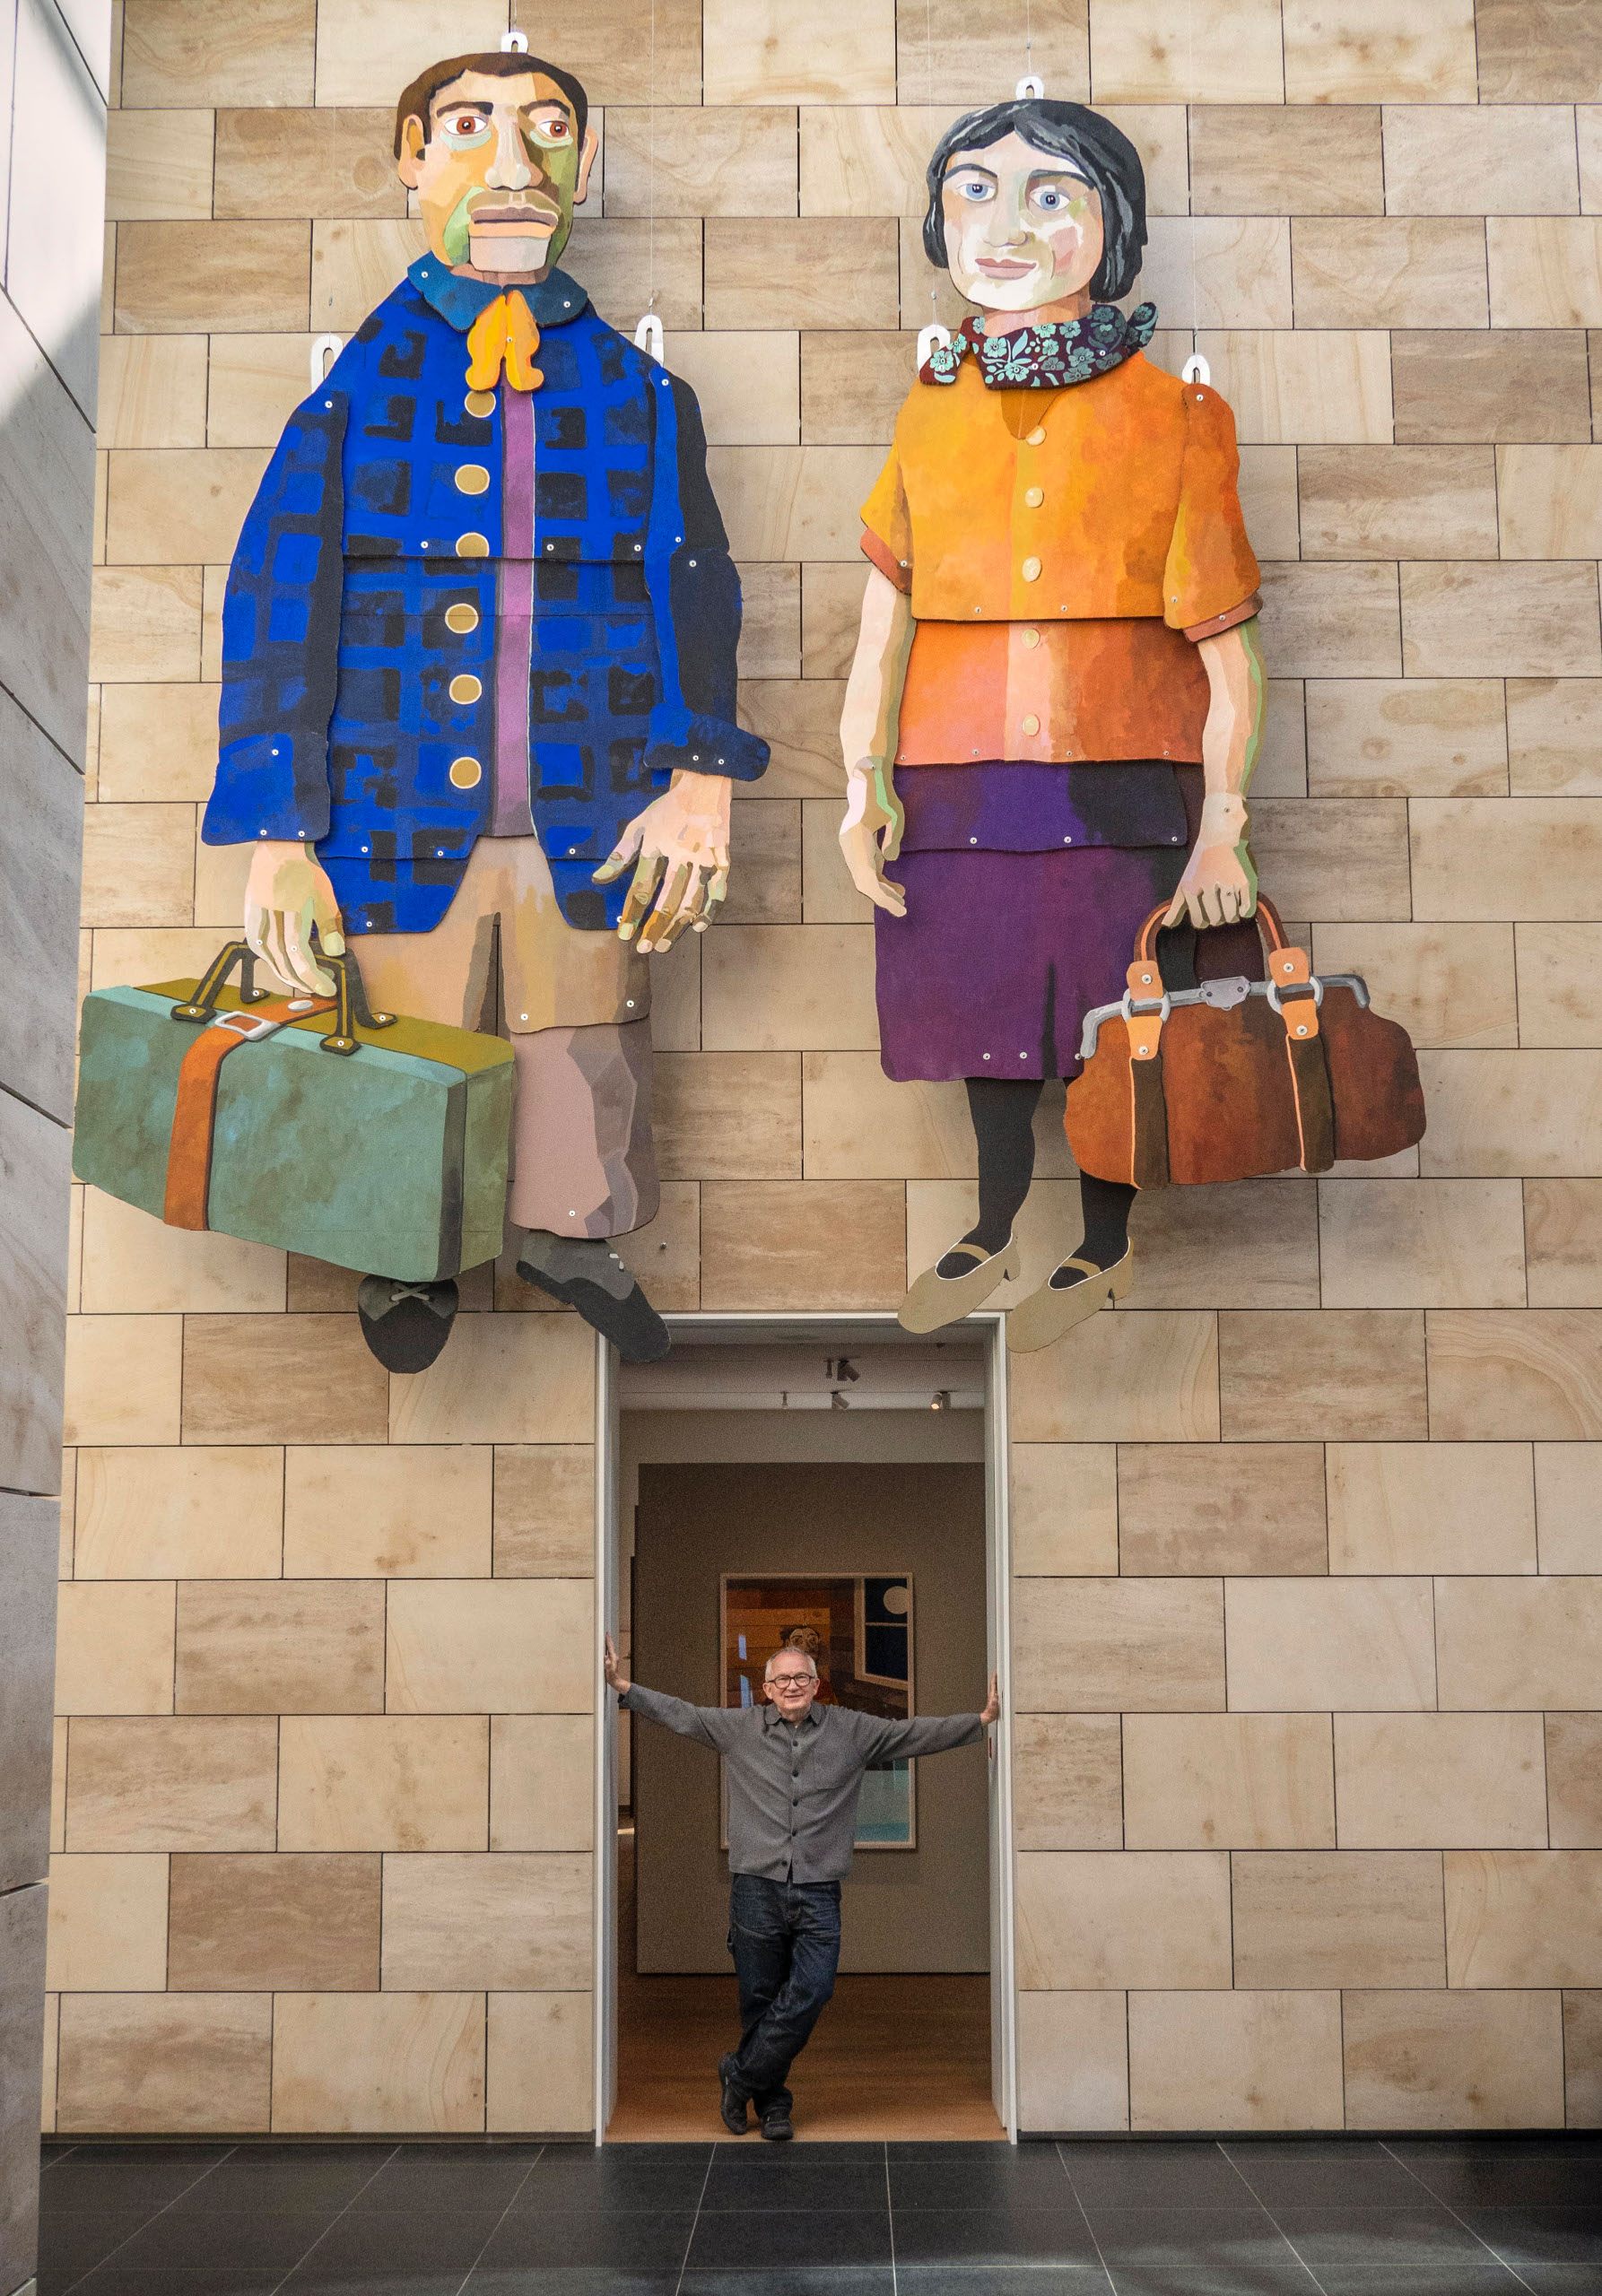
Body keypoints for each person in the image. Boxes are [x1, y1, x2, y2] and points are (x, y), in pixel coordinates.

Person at [199, 46, 766, 1373]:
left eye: (547, 131)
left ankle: (570, 1229)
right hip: (392, 797)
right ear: (411, 161)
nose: (512, 165)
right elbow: (277, 594)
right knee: (402, 1024)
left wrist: (699, 777)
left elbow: (694, 584)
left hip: (589, 790)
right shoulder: (352, 393)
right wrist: (277, 834)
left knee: (582, 1021)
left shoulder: (640, 393)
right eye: (468, 128)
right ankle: (402, 1245)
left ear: (582, 164)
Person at [839, 98, 1265, 1353]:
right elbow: (882, 621)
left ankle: (1102, 1242)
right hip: (954, 778)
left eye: (1049, 194)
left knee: (1107, 1011)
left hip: (1118, 779)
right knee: (977, 1005)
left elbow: (1227, 650)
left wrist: (1223, 826)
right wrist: (860, 781)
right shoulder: (926, 411)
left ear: (1110, 224)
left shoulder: (1178, 419)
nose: (1006, 225)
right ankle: (987, 1225)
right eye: (974, 190)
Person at [605, 1631, 1000, 2140]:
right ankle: (773, 2106)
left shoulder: (852, 1730)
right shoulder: (738, 1728)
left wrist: (981, 1721)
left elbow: (912, 1735)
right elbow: (682, 1714)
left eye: (801, 1678)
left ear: (817, 1685)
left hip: (818, 1890)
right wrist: (622, 1686)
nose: (792, 1686)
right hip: (755, 1888)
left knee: (813, 1989)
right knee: (760, 1999)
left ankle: (739, 2075)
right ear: (767, 1688)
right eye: (782, 1679)